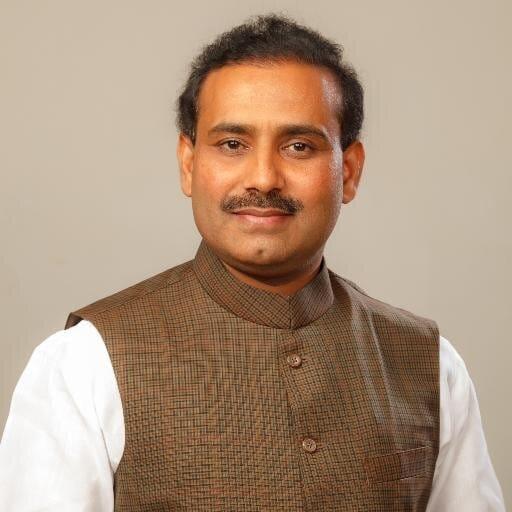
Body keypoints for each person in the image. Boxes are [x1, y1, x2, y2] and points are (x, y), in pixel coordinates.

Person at [0, 13, 505, 512]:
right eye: (232, 144)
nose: (263, 178)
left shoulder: (429, 364)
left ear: (349, 172)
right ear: (189, 164)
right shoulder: (84, 363)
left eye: (299, 146)